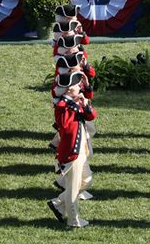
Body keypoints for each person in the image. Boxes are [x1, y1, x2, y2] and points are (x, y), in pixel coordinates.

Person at [48, 71, 97, 228]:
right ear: (69, 89)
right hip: (71, 153)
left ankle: (58, 203)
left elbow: (92, 116)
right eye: (77, 85)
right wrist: (76, 106)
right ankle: (73, 220)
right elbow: (66, 126)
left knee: (86, 180)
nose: (80, 88)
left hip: (81, 150)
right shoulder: (62, 106)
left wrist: (84, 104)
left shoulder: (75, 103)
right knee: (73, 189)